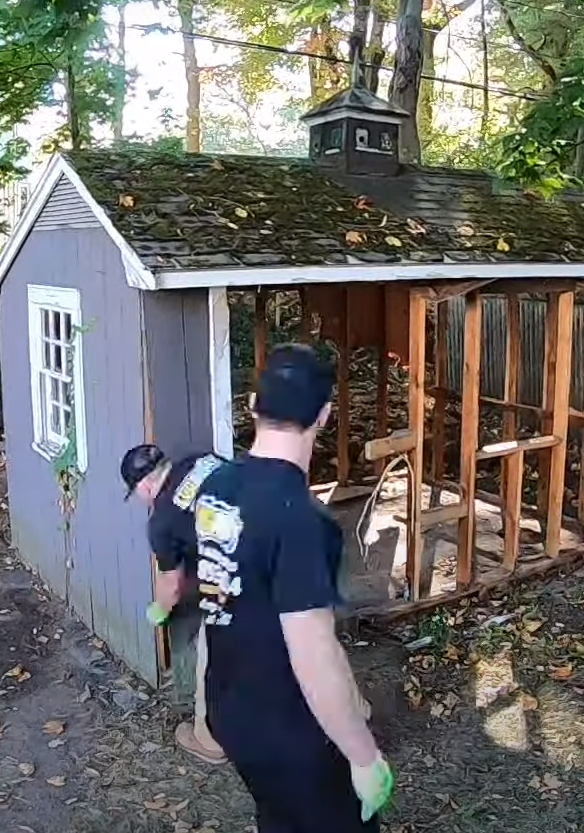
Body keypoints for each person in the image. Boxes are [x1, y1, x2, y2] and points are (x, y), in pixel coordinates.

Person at [190, 344, 393, 832]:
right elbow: (313, 652)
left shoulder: (214, 488)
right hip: (292, 734)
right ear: (323, 416)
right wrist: (364, 757)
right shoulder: (301, 519)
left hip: (232, 715)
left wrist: (205, 712)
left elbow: (213, 605)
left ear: (254, 405)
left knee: (279, 818)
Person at [119, 442, 229, 764]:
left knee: (211, 660)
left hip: (240, 574)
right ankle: (345, 712)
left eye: (136, 492)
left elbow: (173, 585)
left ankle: (207, 739)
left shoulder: (162, 522)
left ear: (145, 484)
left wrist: (160, 610)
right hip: (279, 545)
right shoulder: (201, 459)